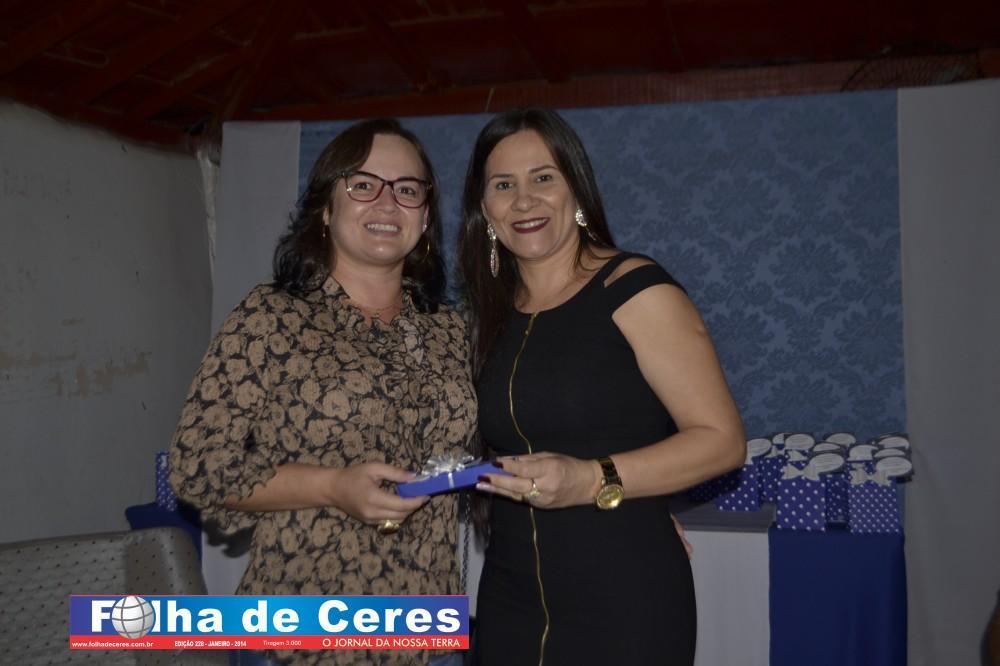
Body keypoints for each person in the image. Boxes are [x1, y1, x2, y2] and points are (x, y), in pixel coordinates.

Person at [170, 118, 476, 666]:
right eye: (363, 184)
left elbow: (484, 444)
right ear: (326, 209)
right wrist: (332, 486)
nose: (387, 202)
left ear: (426, 215)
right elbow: (198, 467)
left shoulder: (448, 329)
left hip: (429, 635)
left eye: (407, 189)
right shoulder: (270, 317)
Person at [458, 107, 746, 666]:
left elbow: (722, 441)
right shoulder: (489, 314)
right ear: (485, 209)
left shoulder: (636, 289)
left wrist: (595, 479)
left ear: (576, 189)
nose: (524, 200)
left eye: (544, 177)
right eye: (503, 185)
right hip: (510, 594)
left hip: (623, 597)